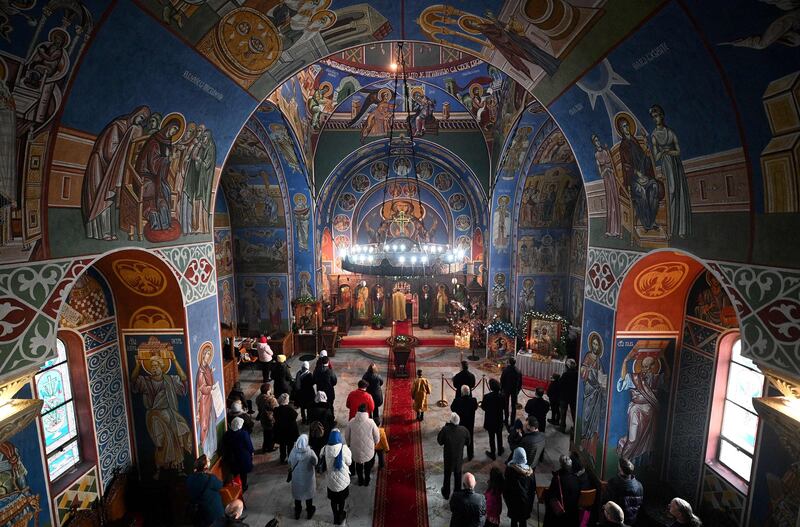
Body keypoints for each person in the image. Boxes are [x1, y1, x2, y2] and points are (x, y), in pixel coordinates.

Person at [344, 403, 380, 486]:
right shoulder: (371, 422)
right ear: (366, 411)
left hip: (355, 450)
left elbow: (347, 436)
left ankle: (360, 480)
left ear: (357, 411)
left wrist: (349, 444)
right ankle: (367, 480)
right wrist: (375, 443)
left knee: (358, 465)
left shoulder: (351, 421)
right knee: (367, 465)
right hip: (368, 450)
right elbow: (377, 436)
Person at [322, 429, 352, 525]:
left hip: (331, 481)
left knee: (333, 500)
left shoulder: (324, 449)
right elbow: (349, 462)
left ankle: (335, 516)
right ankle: (340, 515)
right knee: (341, 500)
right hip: (343, 482)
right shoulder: (344, 449)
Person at [437, 412, 470, 499]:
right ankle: (457, 494)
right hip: (458, 457)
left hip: (448, 457)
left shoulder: (445, 429)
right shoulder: (464, 430)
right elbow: (468, 442)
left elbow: (440, 442)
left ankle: (446, 493)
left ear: (450, 421)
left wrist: (444, 428)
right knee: (458, 475)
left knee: (447, 476)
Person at [186, 455, 224, 527]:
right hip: (212, 512)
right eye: (208, 460)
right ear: (205, 466)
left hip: (198, 512)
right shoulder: (210, 478)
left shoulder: (190, 478)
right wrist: (211, 474)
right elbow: (220, 485)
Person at [503, 447, 536, 527]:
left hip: (513, 504)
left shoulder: (510, 471)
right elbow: (532, 490)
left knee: (513, 521)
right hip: (525, 504)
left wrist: (507, 502)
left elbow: (506, 489)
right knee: (523, 522)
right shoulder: (530, 472)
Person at [605, 458, 643, 525]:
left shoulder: (612, 483)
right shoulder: (639, 486)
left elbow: (607, 504)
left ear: (620, 468)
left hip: (615, 522)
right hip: (632, 521)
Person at [543, 455, 580, 526]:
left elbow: (551, 496)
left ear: (561, 465)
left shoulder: (557, 479)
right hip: (572, 516)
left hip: (559, 516)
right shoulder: (576, 479)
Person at [288, 434, 318, 520]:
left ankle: (297, 512)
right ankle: (309, 511)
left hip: (297, 478)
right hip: (308, 479)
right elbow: (315, 462)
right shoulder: (310, 453)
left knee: (298, 496)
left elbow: (289, 462)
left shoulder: (293, 451)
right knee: (308, 495)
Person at [222, 417, 254, 492]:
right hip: (243, 457)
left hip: (232, 457)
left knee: (235, 472)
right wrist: (251, 451)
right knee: (243, 473)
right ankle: (244, 485)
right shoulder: (244, 434)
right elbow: (249, 445)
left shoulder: (227, 434)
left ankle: (237, 486)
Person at [451, 385, 479, 460]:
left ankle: (459, 456)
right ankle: (470, 455)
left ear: (461, 393)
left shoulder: (457, 401)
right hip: (470, 423)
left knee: (460, 440)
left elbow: (452, 409)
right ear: (469, 393)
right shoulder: (473, 400)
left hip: (460, 424)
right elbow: (476, 407)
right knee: (470, 439)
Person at [481, 378, 505, 460]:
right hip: (499, 419)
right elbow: (504, 407)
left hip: (490, 420)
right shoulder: (502, 396)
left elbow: (483, 407)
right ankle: (500, 450)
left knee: (491, 438)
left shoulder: (487, 396)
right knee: (499, 435)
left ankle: (493, 453)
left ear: (491, 387)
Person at [274, 393, 299, 464]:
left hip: (281, 430)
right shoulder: (290, 409)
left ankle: (282, 458)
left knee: (282, 446)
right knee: (290, 446)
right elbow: (295, 416)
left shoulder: (276, 409)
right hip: (290, 431)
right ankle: (290, 458)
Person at [501, 357, 523, 426]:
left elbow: (502, 380)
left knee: (506, 405)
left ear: (509, 362)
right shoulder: (518, 371)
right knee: (513, 406)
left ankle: (506, 419)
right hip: (514, 390)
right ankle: (512, 422)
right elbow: (520, 382)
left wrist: (502, 389)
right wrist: (518, 390)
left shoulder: (505, 370)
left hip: (506, 390)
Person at [255, 383, 277, 453]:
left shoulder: (259, 397)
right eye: (270, 389)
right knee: (271, 434)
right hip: (270, 419)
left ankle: (265, 447)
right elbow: (276, 408)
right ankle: (270, 447)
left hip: (263, 417)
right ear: (268, 391)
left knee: (266, 433)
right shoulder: (271, 400)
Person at [559, 359, 578, 433]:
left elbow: (560, 384)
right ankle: (575, 428)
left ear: (567, 366)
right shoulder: (577, 374)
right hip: (573, 397)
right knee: (574, 413)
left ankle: (562, 428)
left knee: (563, 413)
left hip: (564, 397)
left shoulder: (565, 374)